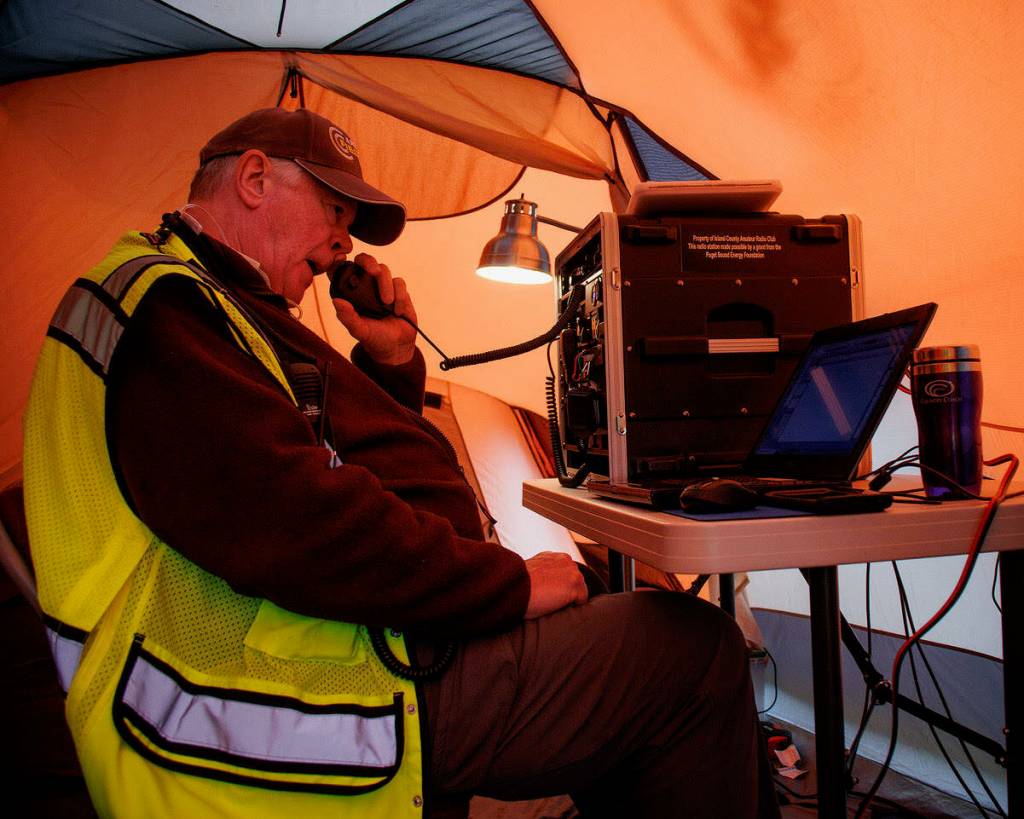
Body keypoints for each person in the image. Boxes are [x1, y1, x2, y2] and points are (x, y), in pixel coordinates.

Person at [22, 107, 780, 818]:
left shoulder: (226, 307)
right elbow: (302, 525)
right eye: (334, 212)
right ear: (254, 180)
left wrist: (390, 361)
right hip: (269, 697)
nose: (344, 248)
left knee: (620, 642)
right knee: (694, 650)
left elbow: (332, 461)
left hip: (349, 642)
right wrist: (508, 584)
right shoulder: (167, 308)